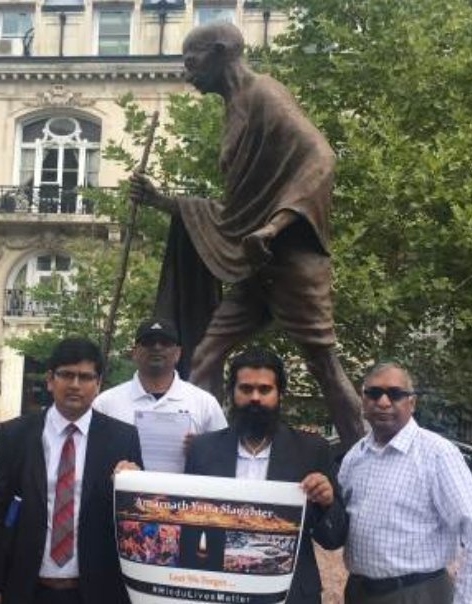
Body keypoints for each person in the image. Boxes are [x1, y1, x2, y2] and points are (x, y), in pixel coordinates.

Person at [130, 22, 363, 446]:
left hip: (289, 260)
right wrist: (163, 201)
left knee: (324, 364)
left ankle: (364, 452)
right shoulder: (232, 106)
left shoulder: (265, 95)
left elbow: (321, 158)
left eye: (191, 61)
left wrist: (275, 226)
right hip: (254, 266)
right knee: (205, 355)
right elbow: (241, 208)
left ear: (220, 52)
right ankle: (206, 451)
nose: (187, 72)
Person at [0, 337, 143, 604]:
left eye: (85, 377)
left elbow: (136, 522)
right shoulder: (16, 435)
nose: (75, 385)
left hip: (96, 591)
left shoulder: (122, 439)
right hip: (26, 589)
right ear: (50, 379)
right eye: (67, 375)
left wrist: (133, 486)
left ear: (98, 384)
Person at [184, 348, 347, 603]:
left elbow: (333, 538)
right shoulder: (203, 449)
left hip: (289, 592)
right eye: (246, 389)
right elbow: (188, 522)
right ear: (232, 393)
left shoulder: (311, 449)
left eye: (264, 389)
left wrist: (326, 503)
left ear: (280, 394)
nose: (255, 398)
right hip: (219, 590)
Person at [338, 362, 472, 603]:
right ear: (363, 400)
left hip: (417, 593)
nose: (383, 402)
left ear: (411, 403)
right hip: (360, 592)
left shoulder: (436, 454)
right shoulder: (356, 456)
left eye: (395, 394)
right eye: (374, 393)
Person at [93, 317, 227, 468]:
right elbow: (90, 455)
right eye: (148, 342)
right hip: (121, 490)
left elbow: (225, 458)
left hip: (184, 491)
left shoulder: (205, 403)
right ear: (135, 352)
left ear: (178, 353)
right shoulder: (106, 403)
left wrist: (201, 449)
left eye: (165, 342)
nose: (157, 347)